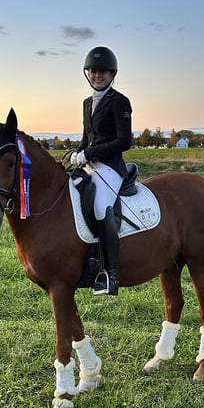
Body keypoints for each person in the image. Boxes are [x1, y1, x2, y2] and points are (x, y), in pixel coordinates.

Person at [70, 46, 133, 296]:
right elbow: (88, 137)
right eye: (93, 71)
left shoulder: (120, 102)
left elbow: (123, 141)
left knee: (100, 207)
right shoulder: (87, 103)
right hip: (90, 165)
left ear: (112, 74)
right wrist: (77, 152)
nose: (98, 76)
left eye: (103, 72)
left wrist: (90, 153)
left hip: (110, 167)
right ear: (88, 73)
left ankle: (111, 275)